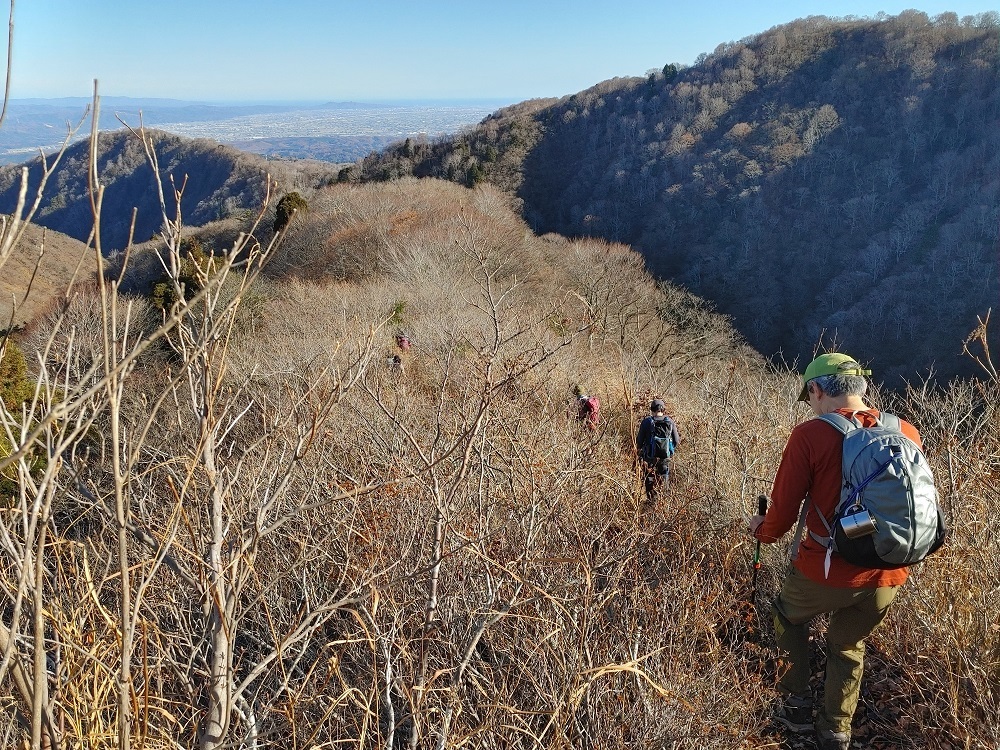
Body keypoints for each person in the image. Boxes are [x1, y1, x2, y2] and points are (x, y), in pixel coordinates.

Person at [748, 353, 922, 750]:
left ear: (816, 389)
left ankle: (795, 706)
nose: (810, 404)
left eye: (809, 395)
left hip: (825, 569)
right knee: (847, 644)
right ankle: (836, 731)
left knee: (786, 617)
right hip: (890, 570)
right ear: (862, 386)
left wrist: (762, 530)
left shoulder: (810, 435)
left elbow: (781, 516)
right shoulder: (905, 430)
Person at [636, 398, 680, 504]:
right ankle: (663, 502)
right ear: (663, 409)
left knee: (650, 477)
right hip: (665, 457)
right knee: (664, 476)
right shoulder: (670, 421)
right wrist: (669, 450)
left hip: (650, 457)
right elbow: (676, 440)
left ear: (652, 409)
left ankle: (651, 501)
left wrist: (641, 450)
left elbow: (639, 441)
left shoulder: (646, 422)